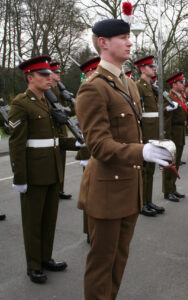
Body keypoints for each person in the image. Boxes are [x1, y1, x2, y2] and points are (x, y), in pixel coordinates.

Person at [75, 19, 172, 299]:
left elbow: (133, 132)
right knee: (102, 264)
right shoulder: (94, 87)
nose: (130, 42)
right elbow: (99, 145)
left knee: (119, 261)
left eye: (129, 37)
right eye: (122, 37)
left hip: (130, 186)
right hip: (106, 190)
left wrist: (152, 148)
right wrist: (141, 152)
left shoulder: (127, 84)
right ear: (103, 43)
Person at [8, 55, 80, 284]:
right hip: (34, 173)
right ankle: (34, 265)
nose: (50, 78)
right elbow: (17, 144)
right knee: (33, 223)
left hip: (52, 170)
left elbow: (57, 140)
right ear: (30, 77)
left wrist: (76, 143)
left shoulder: (48, 102)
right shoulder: (21, 103)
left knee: (49, 220)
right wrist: (20, 177)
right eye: (44, 75)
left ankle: (46, 257)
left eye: (50, 74)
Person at [134, 55, 165, 217]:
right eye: (151, 67)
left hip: (153, 131)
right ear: (142, 69)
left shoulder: (150, 86)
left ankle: (148, 200)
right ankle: (141, 202)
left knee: (151, 168)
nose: (154, 69)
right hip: (146, 131)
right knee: (144, 169)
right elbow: (138, 113)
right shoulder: (138, 86)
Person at [75, 56, 101, 243]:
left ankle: (98, 229)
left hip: (102, 147)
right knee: (90, 194)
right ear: (90, 73)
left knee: (101, 192)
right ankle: (90, 232)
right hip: (90, 149)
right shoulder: (86, 91)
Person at [49, 61, 73, 200]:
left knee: (62, 161)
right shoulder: (47, 89)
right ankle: (53, 189)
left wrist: (69, 101)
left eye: (59, 72)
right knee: (53, 163)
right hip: (52, 129)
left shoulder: (59, 89)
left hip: (62, 129)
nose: (58, 75)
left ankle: (60, 189)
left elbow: (66, 111)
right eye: (56, 73)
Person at [163, 72, 187, 202]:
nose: (183, 84)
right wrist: (167, 136)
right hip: (173, 132)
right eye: (181, 82)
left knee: (176, 162)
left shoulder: (180, 97)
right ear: (174, 84)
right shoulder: (170, 98)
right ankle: (167, 190)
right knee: (170, 162)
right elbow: (167, 119)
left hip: (180, 131)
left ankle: (173, 187)